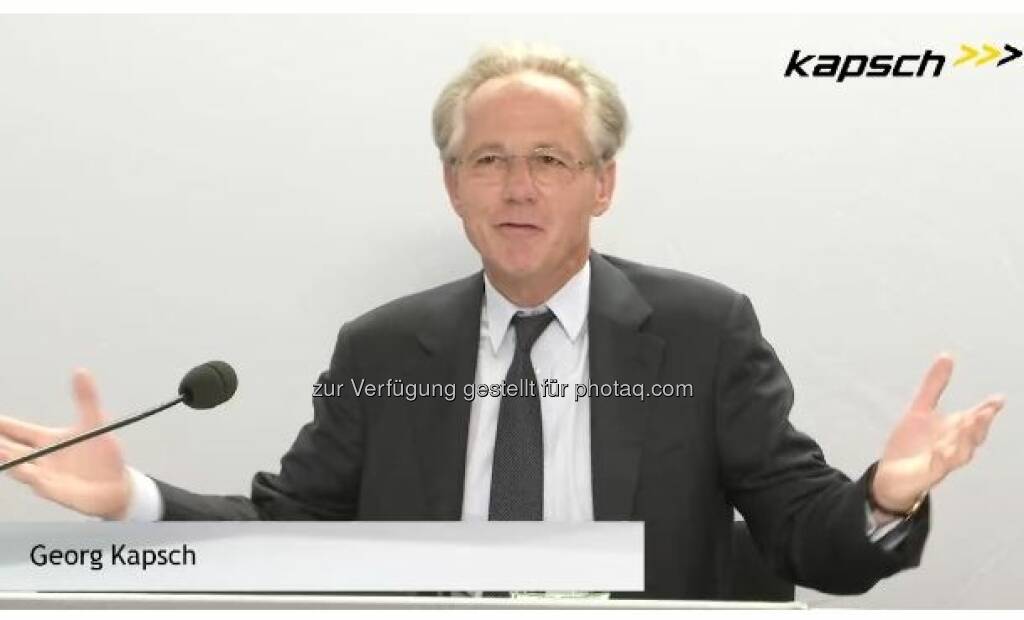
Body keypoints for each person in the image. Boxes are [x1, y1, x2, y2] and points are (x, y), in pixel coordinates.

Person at [0, 43, 1006, 600]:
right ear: (453, 185)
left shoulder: (703, 331)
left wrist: (885, 495)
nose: (517, 187)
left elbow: (805, 538)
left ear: (601, 184)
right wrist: (133, 499)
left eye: (550, 161)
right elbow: (292, 529)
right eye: (488, 160)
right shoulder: (383, 348)